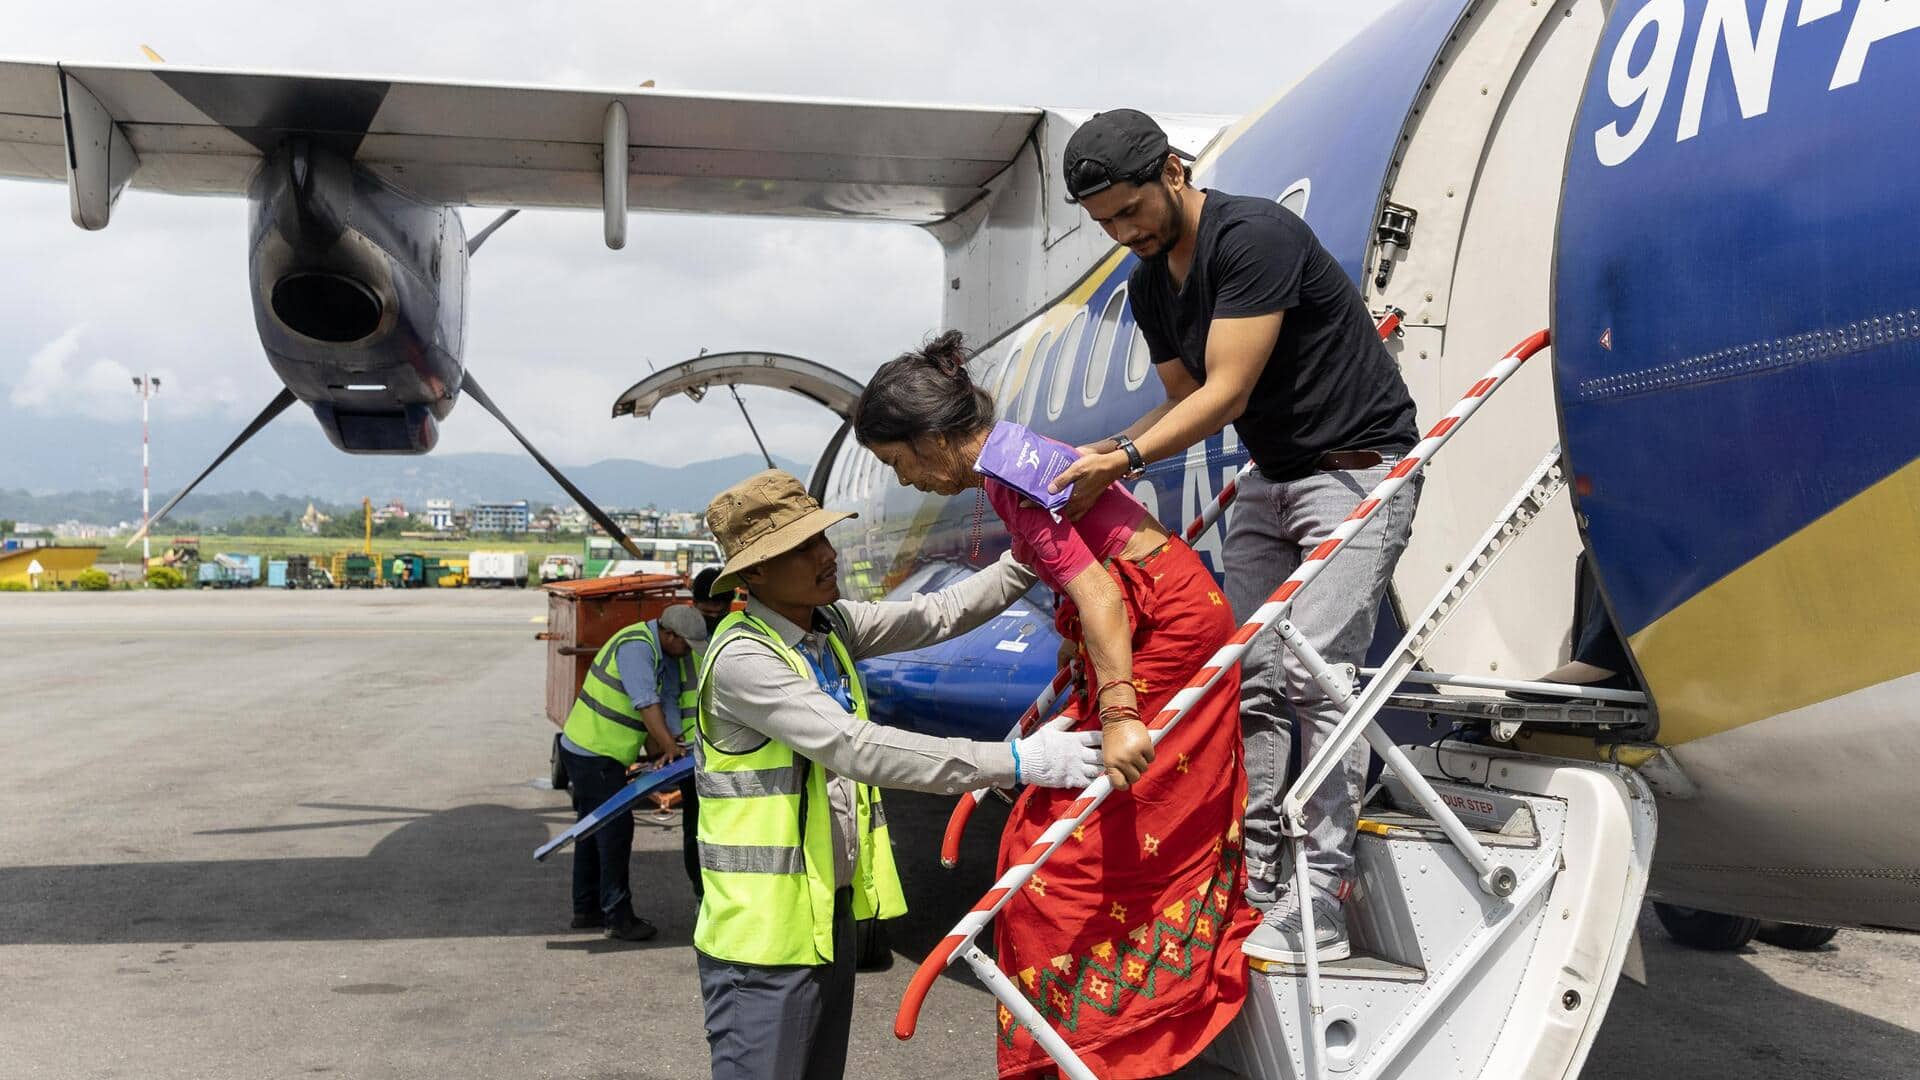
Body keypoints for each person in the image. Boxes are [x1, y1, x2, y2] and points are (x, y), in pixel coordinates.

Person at [1050, 109, 1423, 965]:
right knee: (1241, 672)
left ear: (1172, 171)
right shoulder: (1147, 281)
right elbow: (1181, 400)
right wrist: (1096, 455)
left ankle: (1318, 899)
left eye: (1130, 210)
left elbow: (1224, 393)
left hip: (1354, 469)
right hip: (1271, 478)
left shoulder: (1253, 235)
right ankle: (1256, 876)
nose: (1123, 231)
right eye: (1104, 222)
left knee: (1315, 675)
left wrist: (1126, 459)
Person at [853, 335, 1258, 1080]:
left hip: (1163, 629)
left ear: (934, 438)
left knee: (1053, 867)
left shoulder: (1007, 475)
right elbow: (1099, 574)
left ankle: (1102, 1038)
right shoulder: (1016, 452)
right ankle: (1093, 1037)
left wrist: (1118, 713)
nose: (906, 481)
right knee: (1035, 845)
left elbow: (1101, 593)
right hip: (1165, 613)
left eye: (898, 461)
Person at [694, 469, 1106, 1080]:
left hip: (818, 917)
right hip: (759, 939)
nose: (826, 555)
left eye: (822, 537)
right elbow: (856, 748)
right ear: (753, 573)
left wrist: (1037, 548)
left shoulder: (824, 626)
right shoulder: (745, 659)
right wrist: (1014, 761)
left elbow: (938, 614)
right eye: (802, 548)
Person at [557, 602, 707, 941]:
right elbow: (646, 703)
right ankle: (617, 916)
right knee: (614, 832)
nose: (687, 653)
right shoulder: (637, 647)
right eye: (685, 644)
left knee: (591, 828)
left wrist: (667, 748)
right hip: (592, 751)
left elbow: (666, 705)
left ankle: (586, 909)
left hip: (598, 750)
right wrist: (669, 748)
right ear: (669, 635)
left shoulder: (664, 654)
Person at [678, 567, 735, 900]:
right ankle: (702, 894)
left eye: (720, 611)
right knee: (696, 827)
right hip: (689, 749)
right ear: (694, 604)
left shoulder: (734, 631)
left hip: (727, 749)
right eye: (706, 612)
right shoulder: (679, 633)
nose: (712, 618)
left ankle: (722, 892)